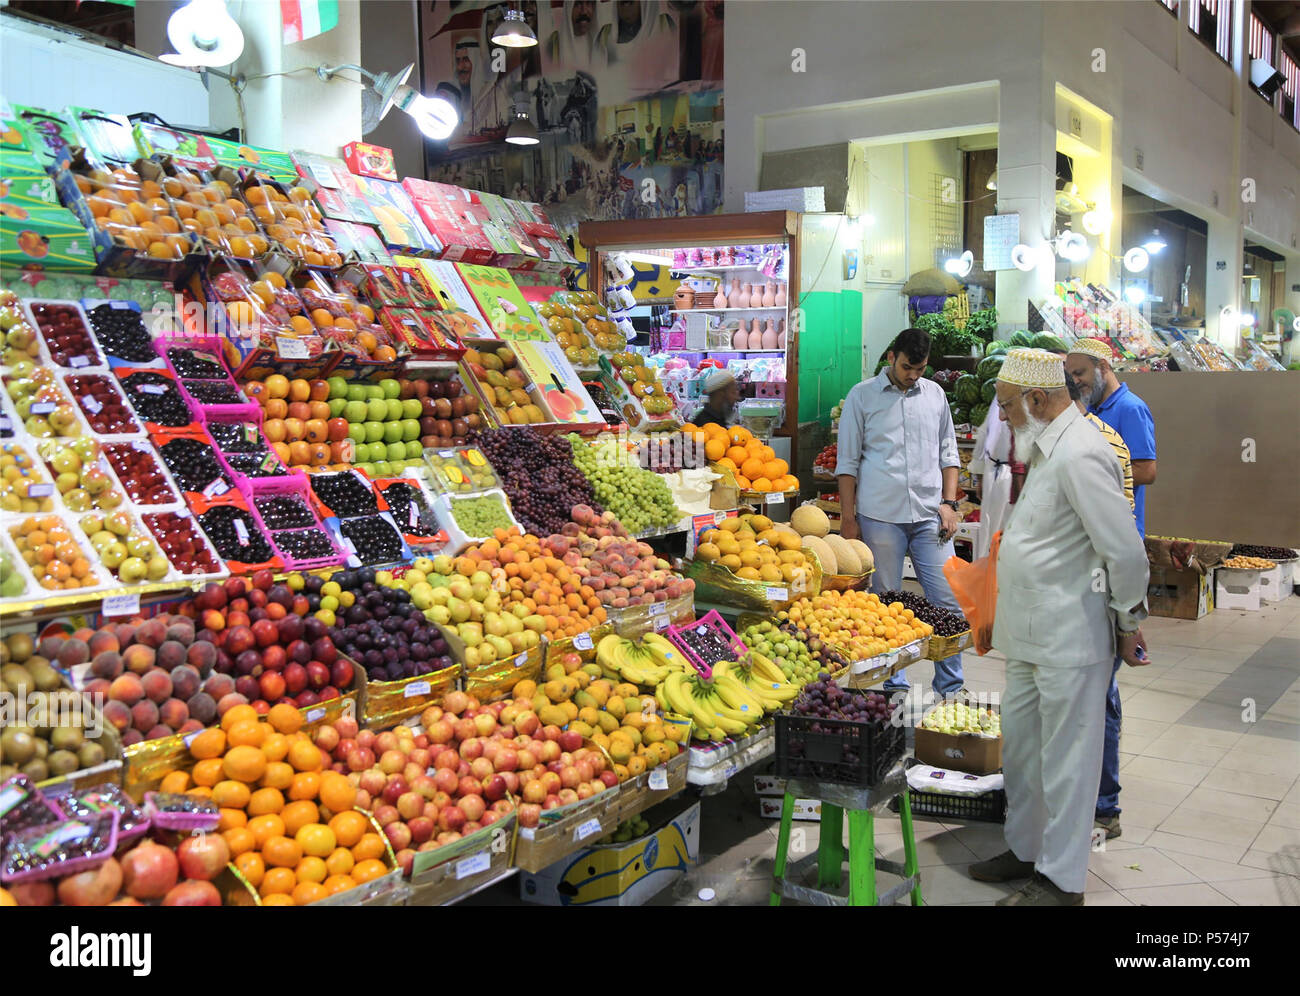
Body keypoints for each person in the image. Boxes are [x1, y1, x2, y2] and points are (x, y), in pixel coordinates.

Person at [968, 349, 1149, 906]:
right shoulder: (1046, 446)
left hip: (1072, 637)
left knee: (1070, 760)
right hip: (1028, 636)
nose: (1001, 419)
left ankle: (1063, 880)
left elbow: (1125, 553)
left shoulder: (1082, 454)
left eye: (1005, 407)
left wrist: (1128, 620)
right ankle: (1024, 848)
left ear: (1038, 400)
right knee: (1023, 749)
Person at [835, 328, 965, 698]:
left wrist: (949, 502)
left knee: (948, 601)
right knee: (886, 604)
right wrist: (848, 519)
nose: (913, 375)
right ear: (892, 356)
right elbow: (847, 463)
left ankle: (951, 689)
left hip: (929, 517)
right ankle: (893, 689)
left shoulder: (935, 395)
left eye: (920, 368)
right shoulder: (862, 397)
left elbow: (948, 453)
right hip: (880, 517)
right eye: (908, 366)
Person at [1065, 337, 1156, 842]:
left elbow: (1147, 469)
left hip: (1118, 556)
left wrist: (1130, 619)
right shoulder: (1088, 417)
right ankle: (1089, 799)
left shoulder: (1128, 411)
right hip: (1096, 567)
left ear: (1102, 366)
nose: (1076, 380)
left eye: (1080, 372)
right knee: (1093, 692)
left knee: (1102, 694)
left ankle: (1104, 805)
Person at [967, 397, 1012, 561]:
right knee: (988, 532)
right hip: (992, 470)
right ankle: (988, 577)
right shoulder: (1001, 391)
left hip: (1013, 475)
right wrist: (979, 474)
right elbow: (985, 432)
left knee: (1005, 534)